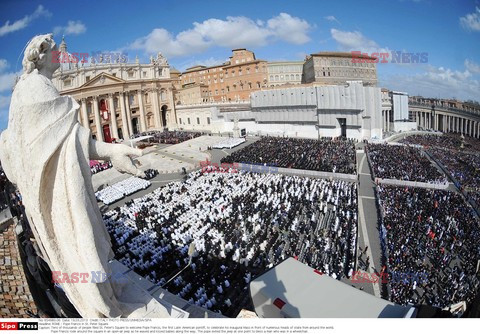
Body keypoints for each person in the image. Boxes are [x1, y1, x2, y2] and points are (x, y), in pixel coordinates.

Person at [0, 34, 161, 318]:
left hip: (57, 188)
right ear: (43, 56)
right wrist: (110, 150)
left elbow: (65, 139)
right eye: (56, 53)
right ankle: (101, 304)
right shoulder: (36, 90)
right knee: (82, 245)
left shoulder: (30, 90)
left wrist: (110, 151)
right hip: (59, 191)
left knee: (82, 248)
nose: (61, 58)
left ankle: (100, 297)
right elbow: (64, 140)